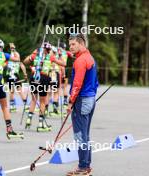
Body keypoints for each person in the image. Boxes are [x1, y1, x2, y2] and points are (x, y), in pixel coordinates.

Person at [66, 33, 98, 176]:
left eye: (73, 44)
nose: (71, 47)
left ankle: (83, 167)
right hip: (90, 99)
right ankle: (86, 166)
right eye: (69, 44)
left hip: (82, 100)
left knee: (80, 135)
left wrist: (70, 102)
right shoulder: (89, 57)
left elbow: (77, 84)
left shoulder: (80, 61)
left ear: (81, 44)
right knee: (85, 134)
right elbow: (95, 83)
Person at [23, 42, 65, 132]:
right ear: (49, 50)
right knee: (42, 101)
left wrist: (32, 55)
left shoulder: (35, 56)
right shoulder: (50, 57)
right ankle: (41, 124)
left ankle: (28, 120)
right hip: (44, 78)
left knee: (34, 99)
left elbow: (25, 61)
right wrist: (60, 55)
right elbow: (63, 64)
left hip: (34, 78)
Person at [5, 43, 27, 113]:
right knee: (18, 90)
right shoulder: (12, 58)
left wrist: (25, 73)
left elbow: (22, 66)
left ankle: (12, 106)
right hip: (12, 75)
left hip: (11, 75)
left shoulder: (15, 59)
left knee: (13, 91)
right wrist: (13, 49)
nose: (18, 55)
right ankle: (24, 105)